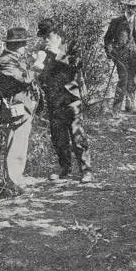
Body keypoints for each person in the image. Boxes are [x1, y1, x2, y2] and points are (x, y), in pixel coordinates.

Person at [35, 18, 93, 183]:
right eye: (43, 36)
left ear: (57, 34)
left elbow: (77, 64)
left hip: (71, 98)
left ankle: (86, 170)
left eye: (48, 36)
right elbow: (41, 74)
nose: (45, 39)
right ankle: (64, 167)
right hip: (53, 99)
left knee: (77, 134)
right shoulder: (42, 50)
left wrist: (57, 53)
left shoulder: (71, 46)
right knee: (58, 136)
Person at [0, 27, 43, 193]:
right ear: (16, 44)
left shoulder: (14, 58)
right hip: (15, 107)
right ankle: (13, 184)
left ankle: (15, 180)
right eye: (23, 44)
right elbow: (25, 78)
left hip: (23, 106)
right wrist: (37, 65)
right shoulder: (6, 61)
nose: (25, 47)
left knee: (20, 143)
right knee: (16, 144)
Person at [103, 0, 136, 116]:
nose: (131, 9)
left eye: (134, 7)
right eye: (129, 6)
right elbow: (107, 39)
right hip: (121, 56)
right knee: (123, 80)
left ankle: (129, 106)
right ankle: (116, 110)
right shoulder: (116, 21)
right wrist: (110, 52)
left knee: (133, 81)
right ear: (125, 6)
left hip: (135, 55)